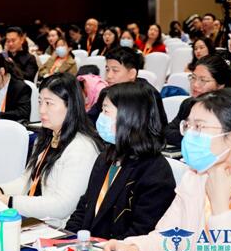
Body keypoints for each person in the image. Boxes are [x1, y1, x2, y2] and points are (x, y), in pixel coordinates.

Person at [103, 88, 231, 251]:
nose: (190, 135)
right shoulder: (196, 176)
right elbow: (170, 237)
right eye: (188, 126)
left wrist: (221, 208)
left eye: (199, 127)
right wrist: (134, 250)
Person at [66, 81, 175, 239]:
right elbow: (84, 207)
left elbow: (141, 233)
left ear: (129, 117)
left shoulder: (155, 172)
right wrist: (68, 238)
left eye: (106, 111)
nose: (100, 117)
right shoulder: (106, 157)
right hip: (87, 246)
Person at [0, 72, 99, 227]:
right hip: (34, 220)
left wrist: (9, 201)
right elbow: (27, 180)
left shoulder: (81, 148)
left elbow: (63, 206)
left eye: (49, 103)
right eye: (40, 102)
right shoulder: (47, 137)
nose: (41, 110)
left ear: (70, 106)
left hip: (60, 228)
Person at [166, 54, 231, 147]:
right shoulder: (189, 104)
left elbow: (219, 143)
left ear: (220, 85)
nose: (195, 84)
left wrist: (188, 135)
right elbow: (168, 131)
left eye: (203, 80)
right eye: (193, 77)